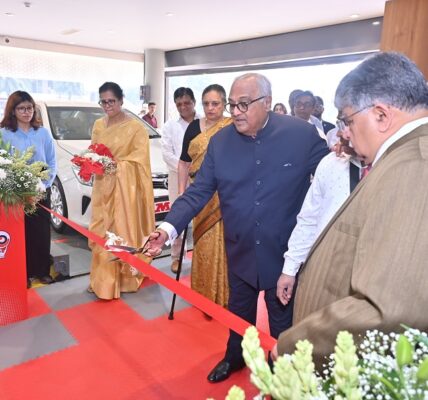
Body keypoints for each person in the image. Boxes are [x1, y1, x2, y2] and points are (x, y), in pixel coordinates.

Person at [145, 73, 329, 383]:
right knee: (237, 313)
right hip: (240, 249)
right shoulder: (220, 143)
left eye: (244, 104)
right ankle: (235, 356)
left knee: (282, 321)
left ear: (267, 103)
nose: (237, 111)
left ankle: (281, 370)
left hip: (283, 255)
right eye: (233, 105)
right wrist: (167, 229)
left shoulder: (301, 135)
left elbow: (329, 179)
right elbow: (198, 191)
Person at [274, 52, 428, 367]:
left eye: (347, 119)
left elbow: (388, 309)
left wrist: (297, 345)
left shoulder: (414, 166)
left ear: (382, 115)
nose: (343, 131)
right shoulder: (402, 158)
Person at [88, 82, 155, 299]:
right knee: (100, 231)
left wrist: (115, 166)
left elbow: (140, 162)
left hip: (124, 191)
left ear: (121, 100)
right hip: (102, 188)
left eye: (111, 101)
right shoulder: (98, 124)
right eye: (103, 101)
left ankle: (123, 280)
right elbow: (94, 151)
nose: (107, 105)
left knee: (119, 233)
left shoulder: (136, 128)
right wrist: (89, 161)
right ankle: (103, 282)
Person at [276, 148, 367, 306]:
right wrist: (289, 269)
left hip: (370, 278)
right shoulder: (333, 162)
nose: (342, 133)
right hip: (324, 269)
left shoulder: (398, 168)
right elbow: (309, 219)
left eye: (350, 122)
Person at [178, 84, 232, 308]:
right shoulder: (193, 127)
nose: (211, 108)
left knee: (227, 245)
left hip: (227, 195)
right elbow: (184, 162)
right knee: (203, 242)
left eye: (215, 103)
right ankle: (203, 293)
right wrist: (182, 194)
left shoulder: (231, 126)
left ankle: (225, 294)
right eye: (206, 104)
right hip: (201, 194)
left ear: (224, 104)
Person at [0, 91, 57, 288]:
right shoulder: (4, 133)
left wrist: (45, 185)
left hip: (41, 191)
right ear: (13, 111)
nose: (27, 112)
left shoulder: (42, 133)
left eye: (30, 108)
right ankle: (21, 273)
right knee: (19, 235)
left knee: (41, 233)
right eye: (22, 108)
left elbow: (51, 162)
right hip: (16, 195)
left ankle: (41, 271)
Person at [161, 87, 198, 272]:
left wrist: (197, 168)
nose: (183, 107)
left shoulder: (204, 123)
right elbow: (167, 154)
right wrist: (185, 166)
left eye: (187, 103)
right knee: (178, 217)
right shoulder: (169, 126)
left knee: (203, 218)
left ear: (194, 102)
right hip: (177, 176)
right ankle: (176, 257)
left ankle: (201, 256)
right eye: (179, 104)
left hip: (203, 177)